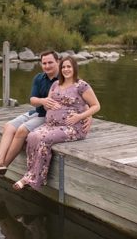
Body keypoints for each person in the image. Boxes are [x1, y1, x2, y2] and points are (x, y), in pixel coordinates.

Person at [14, 56, 100, 191]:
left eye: (69, 67)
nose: (66, 69)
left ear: (74, 68)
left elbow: (96, 106)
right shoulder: (55, 85)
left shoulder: (82, 86)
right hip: (52, 125)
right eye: (64, 67)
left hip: (72, 127)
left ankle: (35, 179)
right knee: (31, 136)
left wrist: (80, 116)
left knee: (43, 139)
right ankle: (29, 173)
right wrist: (50, 106)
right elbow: (48, 102)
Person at [0, 51, 62, 175]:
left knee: (22, 130)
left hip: (49, 117)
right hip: (37, 112)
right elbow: (33, 100)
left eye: (50, 62)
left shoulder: (65, 79)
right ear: (41, 64)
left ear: (58, 62)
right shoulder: (39, 78)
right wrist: (43, 101)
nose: (47, 66)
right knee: (9, 126)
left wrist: (88, 116)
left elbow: (81, 98)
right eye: (44, 63)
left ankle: (4, 165)